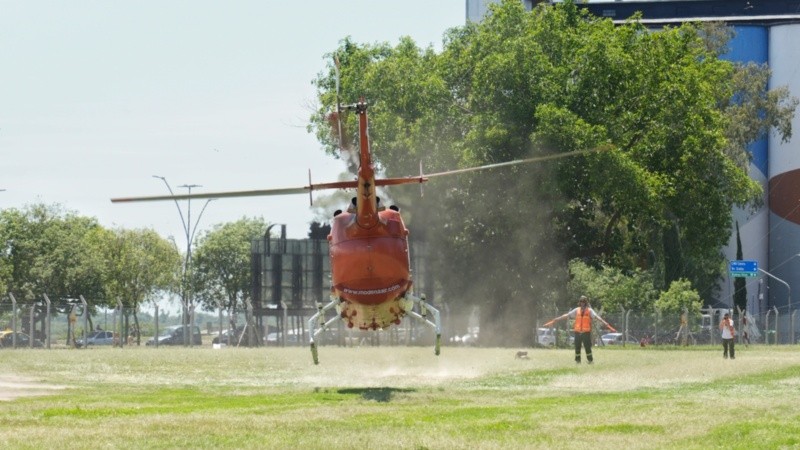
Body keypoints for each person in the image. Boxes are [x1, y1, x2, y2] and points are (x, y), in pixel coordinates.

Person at [544, 296, 616, 364]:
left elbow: (597, 317)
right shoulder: (576, 310)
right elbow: (567, 315)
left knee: (587, 347)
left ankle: (590, 361)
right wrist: (557, 319)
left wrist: (605, 323)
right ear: (579, 302)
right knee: (577, 347)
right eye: (581, 301)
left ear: (586, 302)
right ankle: (578, 361)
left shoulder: (589, 310)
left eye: (584, 301)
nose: (582, 303)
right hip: (577, 332)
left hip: (586, 332)